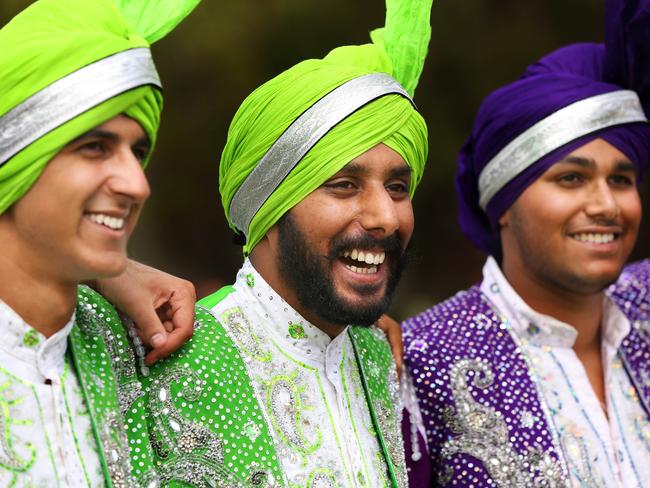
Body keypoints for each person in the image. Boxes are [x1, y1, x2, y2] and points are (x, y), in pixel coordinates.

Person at [72, 0, 433, 485]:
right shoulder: (152, 346)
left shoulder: (379, 357)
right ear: (267, 206)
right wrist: (103, 270)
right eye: (343, 185)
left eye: (397, 188)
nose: (386, 217)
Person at [402, 0, 650, 486]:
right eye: (571, 179)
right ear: (504, 204)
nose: (606, 205)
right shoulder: (419, 359)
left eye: (622, 179)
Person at [0, 0, 199, 485]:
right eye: (94, 147)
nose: (138, 184)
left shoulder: (129, 344)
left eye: (139, 152)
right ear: (14, 156)